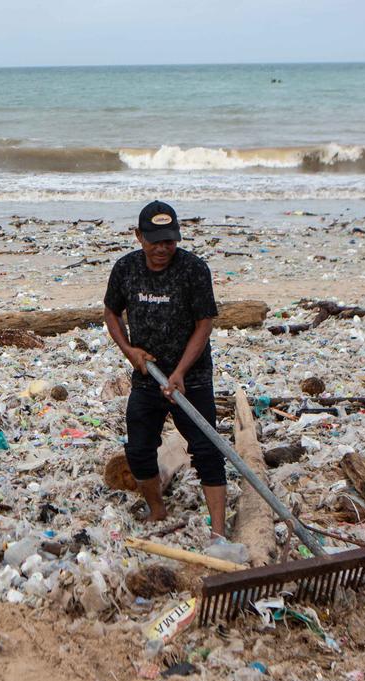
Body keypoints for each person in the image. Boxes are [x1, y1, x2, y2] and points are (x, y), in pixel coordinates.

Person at [103, 200, 227, 538]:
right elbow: (111, 311)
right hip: (148, 377)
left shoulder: (193, 269)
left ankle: (218, 531)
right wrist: (129, 350)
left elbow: (205, 323)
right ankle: (157, 510)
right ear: (138, 236)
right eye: (155, 241)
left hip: (192, 378)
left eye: (169, 241)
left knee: (207, 451)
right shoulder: (126, 269)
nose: (162, 249)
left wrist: (182, 371)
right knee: (139, 449)